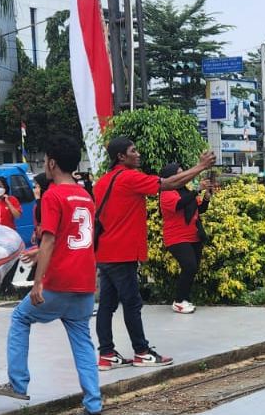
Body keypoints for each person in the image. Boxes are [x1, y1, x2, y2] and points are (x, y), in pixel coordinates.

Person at [0, 135, 104, 415]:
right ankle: (93, 403)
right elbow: (72, 239)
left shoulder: (53, 195)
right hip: (84, 282)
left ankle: (18, 383)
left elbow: (52, 240)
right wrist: (37, 252)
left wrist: (38, 282)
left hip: (59, 281)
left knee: (20, 318)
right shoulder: (85, 196)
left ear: (51, 163)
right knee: (82, 341)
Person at [92, 136, 216, 370]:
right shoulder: (129, 178)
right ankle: (141, 352)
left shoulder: (102, 182)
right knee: (132, 303)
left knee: (107, 306)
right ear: (121, 156)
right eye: (133, 150)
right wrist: (200, 167)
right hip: (123, 253)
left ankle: (106, 353)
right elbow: (168, 184)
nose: (138, 154)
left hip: (105, 253)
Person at [159, 162, 212, 313]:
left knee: (192, 269)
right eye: (179, 173)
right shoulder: (167, 192)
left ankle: (185, 299)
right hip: (176, 237)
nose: (183, 176)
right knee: (189, 266)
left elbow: (200, 209)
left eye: (183, 173)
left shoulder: (185, 190)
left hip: (194, 235)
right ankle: (178, 301)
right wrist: (197, 190)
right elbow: (179, 205)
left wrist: (206, 196)